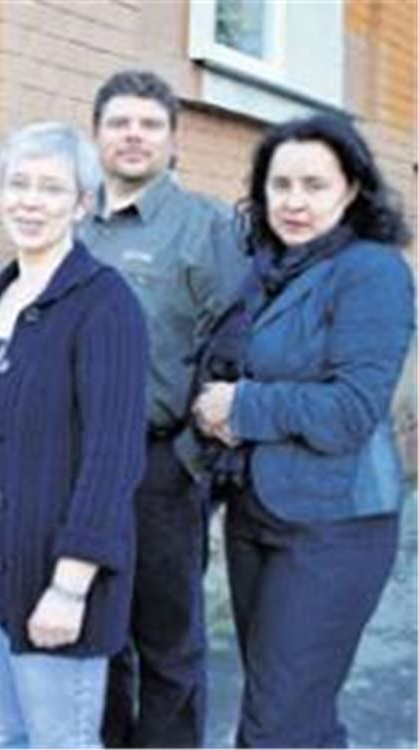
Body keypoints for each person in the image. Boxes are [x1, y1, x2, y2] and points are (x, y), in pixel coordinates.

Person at [191, 114, 415, 748]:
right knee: (298, 714)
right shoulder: (265, 270)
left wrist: (242, 407)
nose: (293, 201)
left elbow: (349, 411)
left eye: (314, 185)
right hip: (256, 513)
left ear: (351, 190)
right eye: (279, 184)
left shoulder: (372, 272)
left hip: (334, 527)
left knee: (273, 726)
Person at [0, 122, 148, 748]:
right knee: (12, 734)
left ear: (82, 203)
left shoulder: (104, 304)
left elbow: (112, 457)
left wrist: (69, 586)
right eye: (18, 184)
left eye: (52, 188)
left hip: (53, 569)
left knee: (60, 741)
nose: (30, 200)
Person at [78, 69, 247, 748]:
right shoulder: (73, 225)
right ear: (96, 136)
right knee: (101, 634)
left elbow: (234, 344)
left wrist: (192, 460)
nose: (133, 136)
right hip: (81, 461)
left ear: (174, 141)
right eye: (119, 122)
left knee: (168, 642)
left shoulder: (205, 228)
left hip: (160, 466)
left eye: (150, 124)